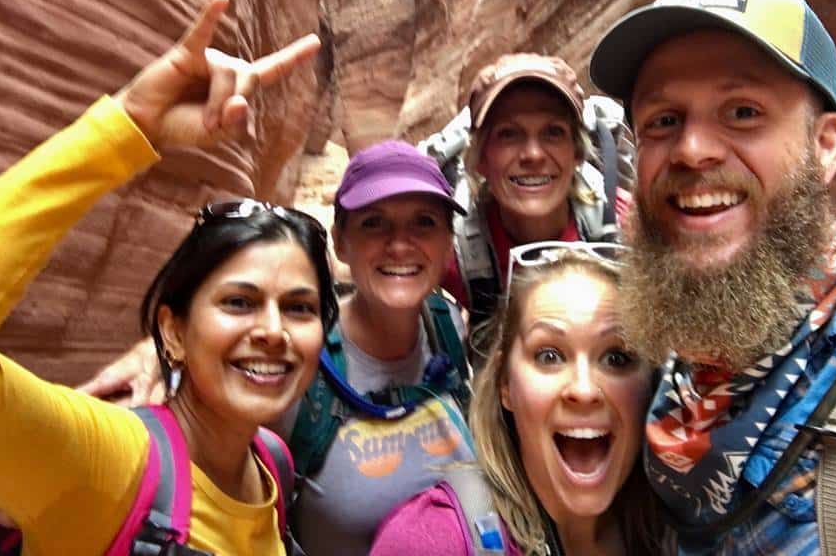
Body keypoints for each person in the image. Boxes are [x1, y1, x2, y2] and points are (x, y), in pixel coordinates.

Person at [0, 0, 338, 555]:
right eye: (239, 301)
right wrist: (128, 126)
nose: (274, 330)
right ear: (173, 331)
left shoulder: (270, 467)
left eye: (300, 307)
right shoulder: (109, 463)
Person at [589, 0, 836, 554]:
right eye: (664, 121)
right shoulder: (672, 383)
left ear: (826, 145)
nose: (691, 150)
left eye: (742, 112)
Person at [370, 243, 665, 555]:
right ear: (505, 383)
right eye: (549, 356)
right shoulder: (429, 541)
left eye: (616, 358)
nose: (584, 389)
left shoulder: (678, 528)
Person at [273, 139, 476, 556]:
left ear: (447, 245)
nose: (400, 244)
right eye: (374, 223)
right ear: (341, 242)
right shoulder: (296, 361)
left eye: (423, 222)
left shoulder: (448, 327)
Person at [430, 54, 634, 353]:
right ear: (480, 160)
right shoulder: (455, 249)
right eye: (509, 134)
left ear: (576, 153)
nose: (533, 155)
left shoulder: (625, 226)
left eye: (553, 132)